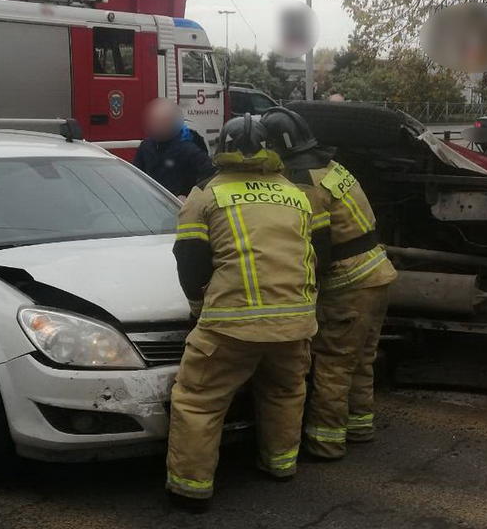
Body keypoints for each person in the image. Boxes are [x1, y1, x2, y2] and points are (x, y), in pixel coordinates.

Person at [166, 114, 318, 512]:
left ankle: (190, 488)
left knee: (198, 400)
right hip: (295, 321)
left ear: (222, 149)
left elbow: (190, 261)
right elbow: (314, 255)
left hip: (232, 325)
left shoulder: (205, 194)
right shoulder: (296, 194)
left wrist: (199, 308)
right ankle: (281, 465)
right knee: (285, 391)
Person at [262, 107, 397, 460]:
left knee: (333, 363)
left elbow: (316, 246)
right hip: (377, 273)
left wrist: (303, 288)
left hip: (349, 282)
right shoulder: (331, 167)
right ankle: (359, 425)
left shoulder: (304, 182)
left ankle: (326, 442)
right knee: (360, 358)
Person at [133, 98, 213, 199]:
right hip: (153, 203)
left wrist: (189, 196)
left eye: (163, 121)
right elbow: (135, 176)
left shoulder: (188, 149)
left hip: (178, 206)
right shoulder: (146, 147)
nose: (157, 126)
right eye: (154, 121)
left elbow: (210, 174)